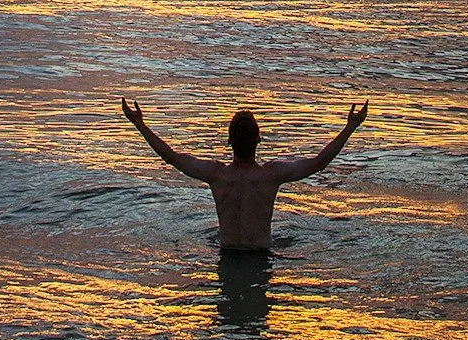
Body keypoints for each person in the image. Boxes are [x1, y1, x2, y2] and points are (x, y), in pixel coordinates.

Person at [119, 96, 370, 252]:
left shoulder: (217, 176)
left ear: (228, 142)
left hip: (226, 254)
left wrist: (139, 124)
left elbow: (171, 157)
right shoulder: (270, 176)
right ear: (259, 140)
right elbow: (320, 162)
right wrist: (350, 127)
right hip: (262, 256)